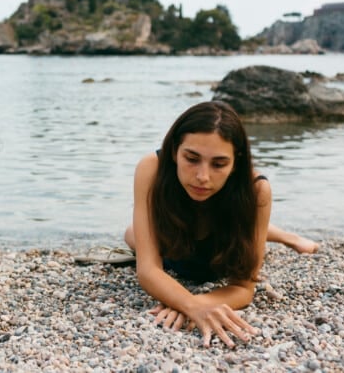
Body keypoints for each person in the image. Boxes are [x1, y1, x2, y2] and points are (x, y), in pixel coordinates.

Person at [123, 101, 319, 347]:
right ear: (175, 151)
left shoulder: (256, 190)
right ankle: (282, 235)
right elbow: (148, 270)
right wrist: (191, 305)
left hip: (218, 248)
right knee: (131, 235)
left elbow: (243, 288)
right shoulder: (151, 168)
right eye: (191, 158)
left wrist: (194, 305)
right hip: (174, 242)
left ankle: (286, 236)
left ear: (235, 162)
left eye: (218, 164)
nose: (203, 176)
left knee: (244, 226)